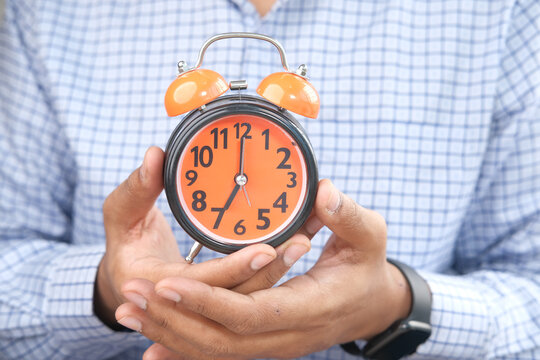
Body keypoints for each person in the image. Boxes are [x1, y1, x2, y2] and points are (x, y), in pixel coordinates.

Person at [1, 0, 539, 359]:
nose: (239, 178)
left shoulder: (502, 11)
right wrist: (106, 288)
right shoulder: (49, 10)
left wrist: (393, 306)